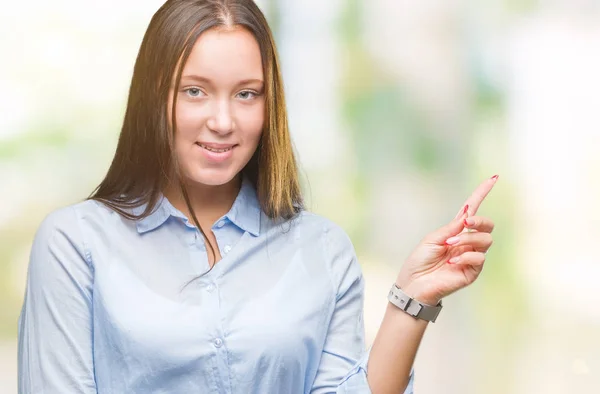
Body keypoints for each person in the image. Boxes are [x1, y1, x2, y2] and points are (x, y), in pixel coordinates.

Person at [17, 1, 498, 393]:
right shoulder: (76, 243)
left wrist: (410, 300)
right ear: (153, 97)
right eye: (195, 92)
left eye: (247, 94)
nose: (224, 121)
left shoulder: (322, 249)